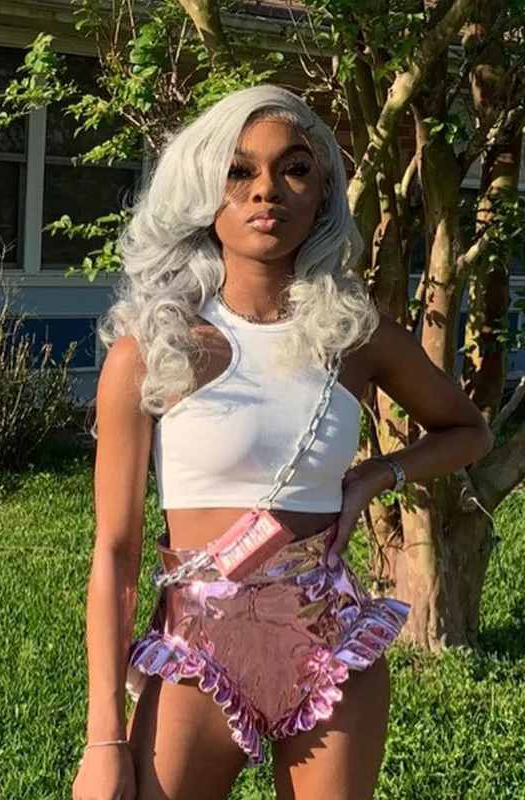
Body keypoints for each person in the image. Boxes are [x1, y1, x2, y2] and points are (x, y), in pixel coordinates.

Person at [72, 85, 493, 800]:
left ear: (322, 190)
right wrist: (104, 741)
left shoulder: (354, 337)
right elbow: (115, 552)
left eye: (294, 169)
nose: (266, 190)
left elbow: (469, 430)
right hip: (199, 648)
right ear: (204, 190)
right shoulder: (153, 351)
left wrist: (377, 475)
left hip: (332, 641)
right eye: (239, 172)